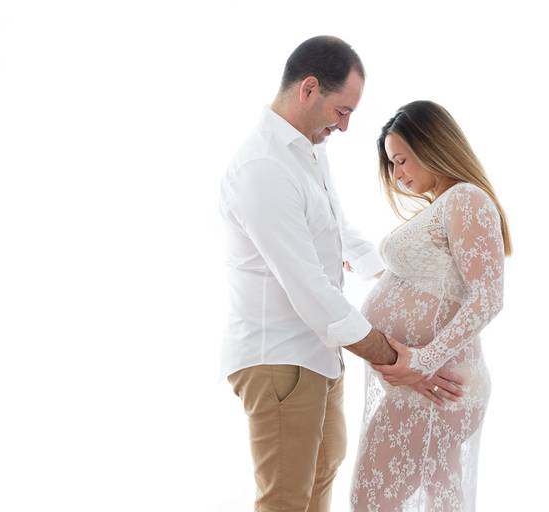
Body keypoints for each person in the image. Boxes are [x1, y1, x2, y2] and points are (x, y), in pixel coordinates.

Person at [219, 38, 463, 512]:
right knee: (287, 499)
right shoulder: (263, 168)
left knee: (323, 472)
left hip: (320, 355)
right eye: (342, 111)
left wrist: (397, 276)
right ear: (309, 89)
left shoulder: (307, 150)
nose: (345, 126)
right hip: (281, 356)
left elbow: (337, 230)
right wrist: (395, 359)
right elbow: (310, 289)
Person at [350, 100, 512, 511]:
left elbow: (488, 297)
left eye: (401, 160)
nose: (397, 175)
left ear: (431, 145)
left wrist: (423, 360)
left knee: (370, 501)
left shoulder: (466, 199)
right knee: (434, 500)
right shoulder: (445, 204)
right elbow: (432, 283)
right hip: (429, 384)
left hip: (437, 386)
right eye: (392, 165)